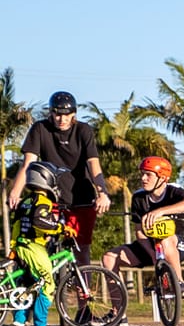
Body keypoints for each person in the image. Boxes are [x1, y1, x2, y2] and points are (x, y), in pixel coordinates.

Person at [7, 91, 110, 256]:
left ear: (74, 114)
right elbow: (28, 163)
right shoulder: (40, 129)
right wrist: (15, 193)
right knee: (41, 244)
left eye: (67, 115)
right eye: (57, 114)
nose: (62, 119)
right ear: (51, 113)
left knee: (81, 251)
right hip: (50, 198)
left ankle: (81, 282)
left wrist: (102, 193)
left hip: (80, 199)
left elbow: (93, 164)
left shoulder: (84, 130)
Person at [99, 156, 184, 297]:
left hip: (175, 246)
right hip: (149, 246)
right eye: (142, 174)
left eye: (148, 175)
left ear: (162, 178)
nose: (143, 178)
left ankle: (179, 283)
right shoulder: (138, 198)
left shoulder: (173, 191)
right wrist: (152, 254)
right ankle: (118, 313)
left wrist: (160, 211)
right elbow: (139, 232)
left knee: (164, 239)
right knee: (109, 258)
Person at [6, 194, 69, 326]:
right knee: (47, 284)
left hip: (22, 245)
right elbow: (39, 222)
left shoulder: (26, 200)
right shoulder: (42, 200)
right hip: (34, 247)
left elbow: (16, 224)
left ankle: (19, 323)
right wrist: (62, 228)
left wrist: (13, 246)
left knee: (28, 284)